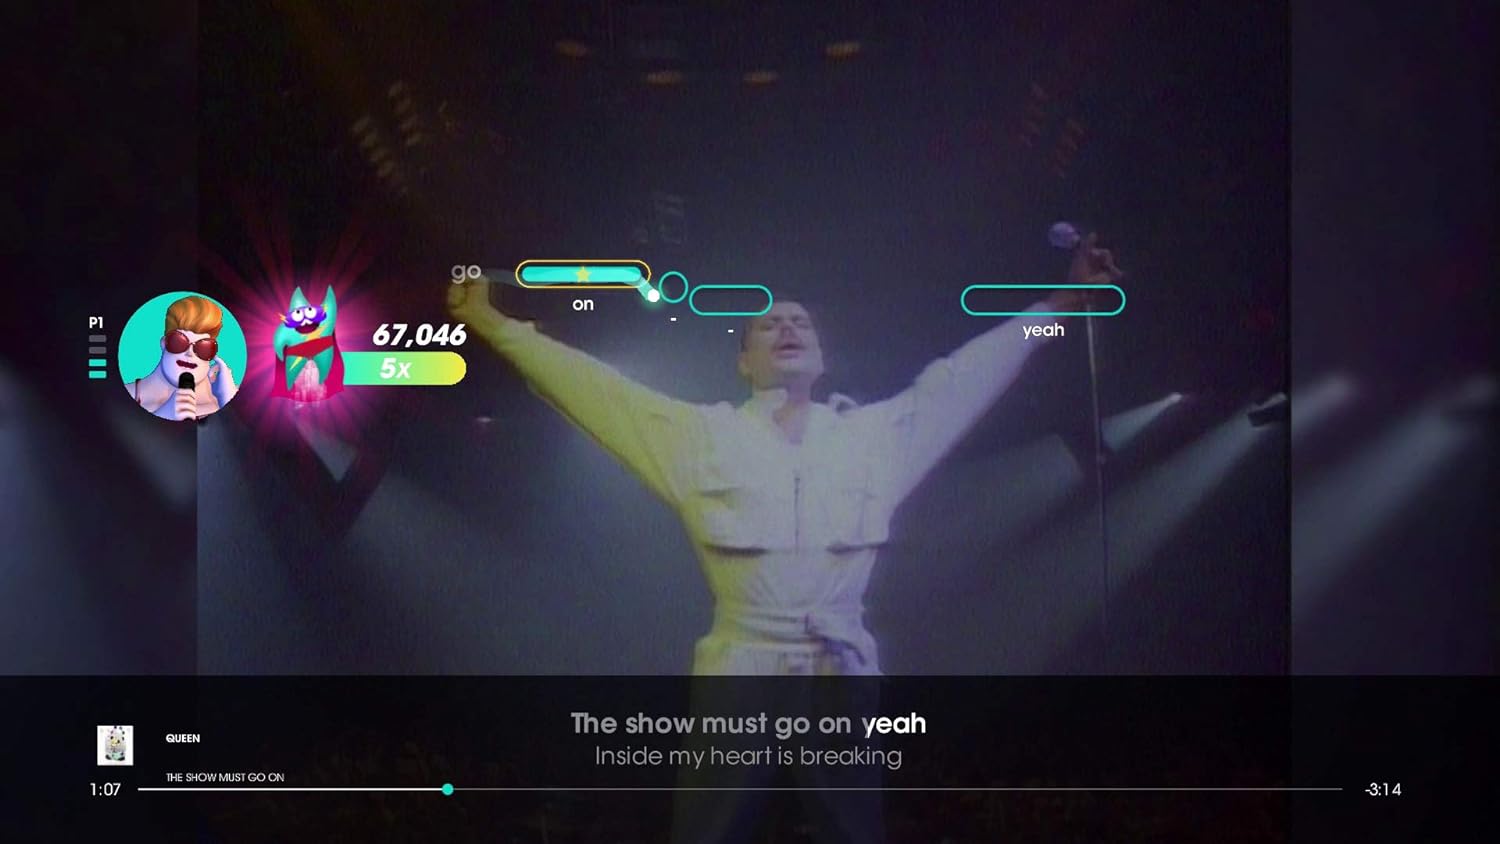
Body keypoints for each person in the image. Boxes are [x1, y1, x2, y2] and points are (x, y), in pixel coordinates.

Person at [448, 238, 1120, 842]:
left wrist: (1063, 303)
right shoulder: (699, 438)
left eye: (801, 322)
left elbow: (977, 370)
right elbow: (598, 390)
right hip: (740, 665)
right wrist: (492, 323)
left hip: (839, 668)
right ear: (744, 361)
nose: (788, 328)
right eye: (769, 323)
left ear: (822, 359)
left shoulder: (877, 438)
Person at [126, 295, 238, 421]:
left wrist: (229, 400)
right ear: (164, 343)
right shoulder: (121, 396)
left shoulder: (231, 396)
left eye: (204, 347)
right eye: (179, 342)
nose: (190, 353)